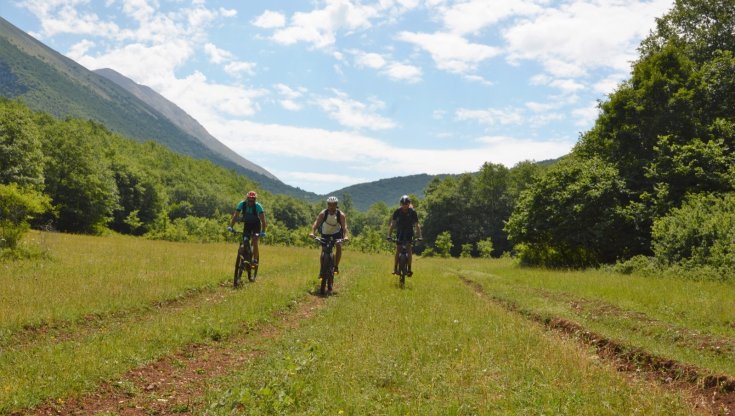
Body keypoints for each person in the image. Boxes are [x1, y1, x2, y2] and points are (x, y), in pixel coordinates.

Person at [309, 196, 349, 273]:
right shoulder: (323, 213)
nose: (331, 206)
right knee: (324, 250)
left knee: (338, 246)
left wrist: (346, 236)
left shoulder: (341, 215)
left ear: (336, 205)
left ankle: (336, 266)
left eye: (333, 204)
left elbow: (345, 227)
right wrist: (312, 232)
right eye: (330, 204)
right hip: (325, 232)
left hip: (336, 233)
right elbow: (316, 224)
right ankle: (322, 269)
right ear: (327, 204)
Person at [228, 191, 267, 265]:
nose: (251, 202)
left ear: (255, 200)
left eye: (253, 200)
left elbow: (263, 220)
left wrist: (263, 231)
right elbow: (235, 216)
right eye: (249, 200)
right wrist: (231, 226)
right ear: (247, 199)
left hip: (256, 225)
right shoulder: (242, 204)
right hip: (247, 225)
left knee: (255, 241)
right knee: (245, 241)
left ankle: (255, 260)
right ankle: (244, 258)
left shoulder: (258, 206)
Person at [387, 195, 422, 276]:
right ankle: (395, 268)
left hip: (409, 232)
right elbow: (392, 224)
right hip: (400, 231)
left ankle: (409, 269)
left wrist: (420, 236)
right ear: (401, 204)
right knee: (398, 249)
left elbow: (417, 225)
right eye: (403, 204)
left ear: (409, 204)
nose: (404, 206)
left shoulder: (413, 212)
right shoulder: (397, 211)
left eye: (406, 204)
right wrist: (389, 235)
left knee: (409, 248)